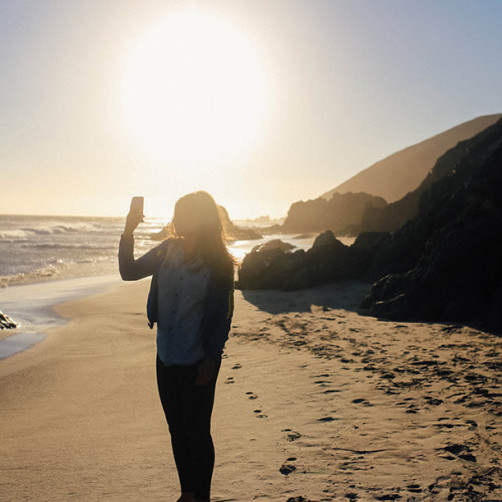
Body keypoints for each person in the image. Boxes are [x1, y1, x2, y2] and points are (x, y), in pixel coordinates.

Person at [118, 191, 235, 502]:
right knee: (177, 429)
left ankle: (202, 497)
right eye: (177, 212)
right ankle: (188, 493)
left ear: (203, 218)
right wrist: (129, 229)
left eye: (186, 212)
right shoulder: (166, 251)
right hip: (166, 357)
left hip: (199, 360)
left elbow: (223, 316)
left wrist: (212, 358)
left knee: (197, 431)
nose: (178, 218)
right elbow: (128, 272)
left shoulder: (219, 263)